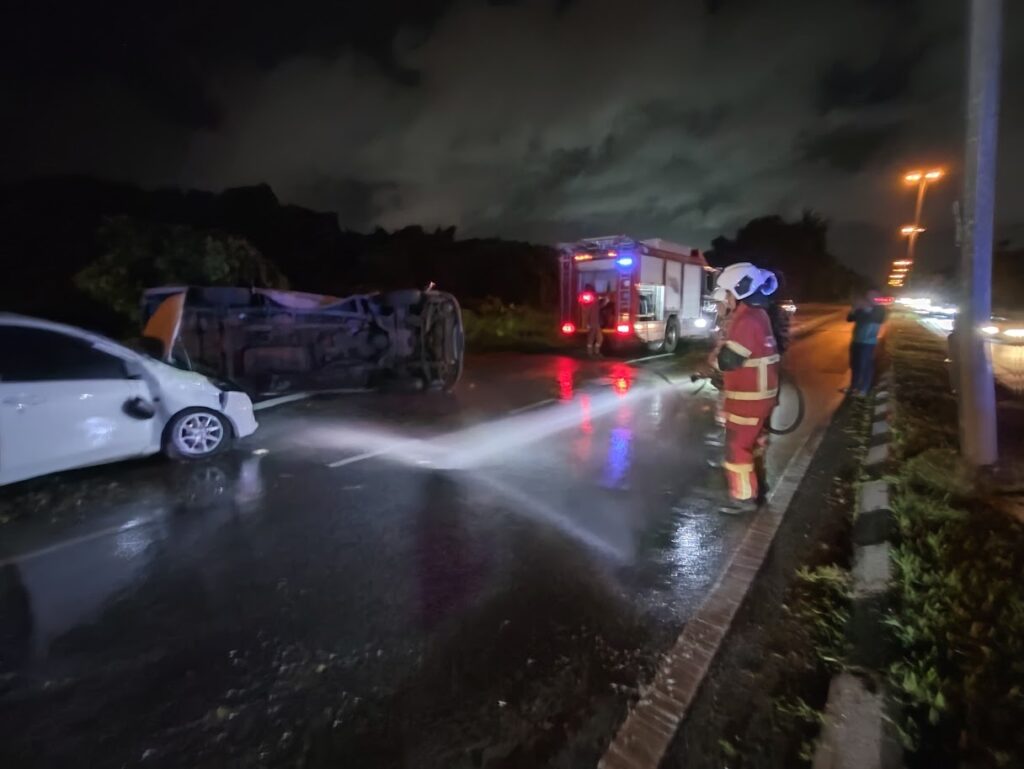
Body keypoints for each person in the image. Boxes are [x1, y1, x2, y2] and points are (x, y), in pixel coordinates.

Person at [709, 262, 781, 515]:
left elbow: (729, 360)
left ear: (740, 290)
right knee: (754, 445)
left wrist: (715, 361)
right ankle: (758, 487)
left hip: (747, 399)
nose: (727, 299)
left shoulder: (748, 319)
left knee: (737, 448)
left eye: (728, 293)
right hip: (758, 398)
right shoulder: (758, 315)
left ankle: (743, 497)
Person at [846, 289, 887, 395]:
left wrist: (865, 309)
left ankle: (863, 389)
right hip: (856, 341)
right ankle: (853, 387)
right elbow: (849, 319)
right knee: (854, 365)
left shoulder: (880, 309)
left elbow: (876, 319)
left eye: (872, 295)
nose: (870, 298)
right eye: (868, 296)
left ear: (877, 297)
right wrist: (854, 309)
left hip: (868, 343)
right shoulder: (862, 308)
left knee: (865, 366)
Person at [584, 283, 603, 357]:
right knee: (592, 338)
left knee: (599, 338)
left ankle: (595, 352)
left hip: (596, 323)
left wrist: (605, 300)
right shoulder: (589, 301)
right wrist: (587, 323)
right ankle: (591, 353)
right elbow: (587, 313)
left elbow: (599, 307)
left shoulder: (594, 301)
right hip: (592, 323)